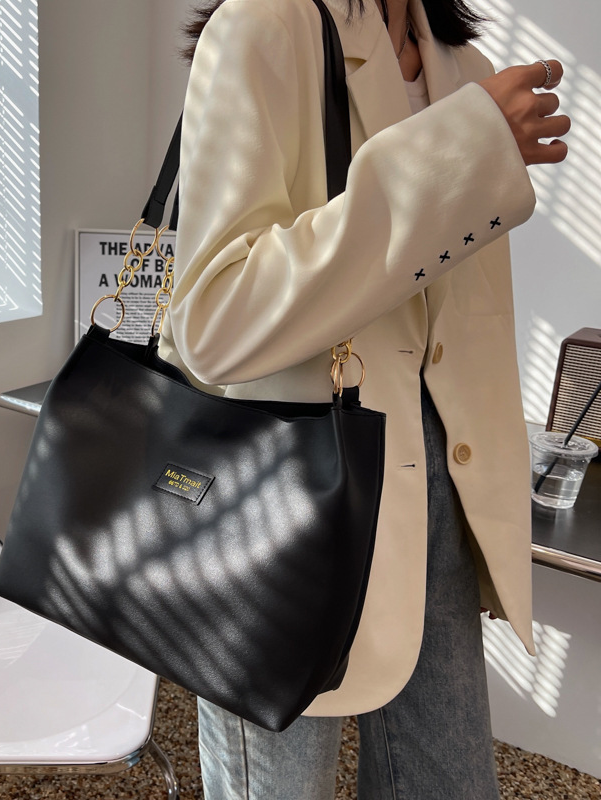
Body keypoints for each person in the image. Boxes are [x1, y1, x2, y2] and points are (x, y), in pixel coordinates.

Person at [156, 0, 571, 797]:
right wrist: (458, 150)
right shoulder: (261, 28)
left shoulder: (464, 70)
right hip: (280, 490)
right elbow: (214, 319)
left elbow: (462, 316)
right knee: (280, 786)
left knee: (448, 781)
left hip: (439, 484)